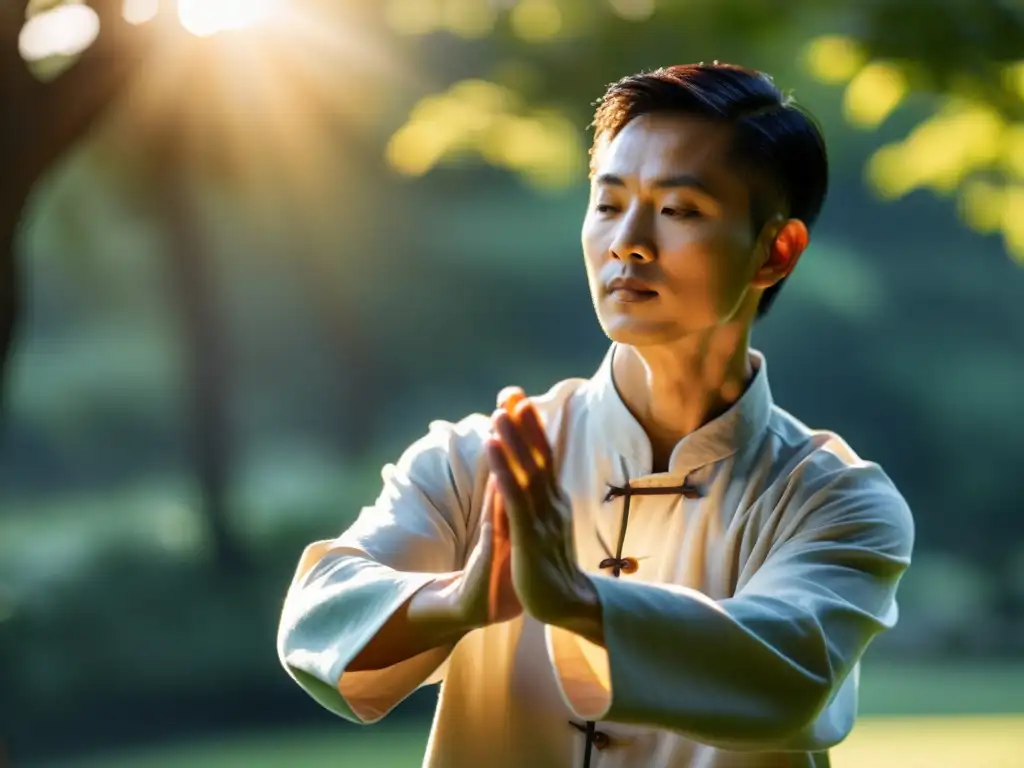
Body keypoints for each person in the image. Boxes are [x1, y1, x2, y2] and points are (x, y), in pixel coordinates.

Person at [276, 62, 914, 768]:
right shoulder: (478, 460)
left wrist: (576, 601)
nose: (629, 242)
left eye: (680, 211)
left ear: (775, 250)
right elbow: (317, 613)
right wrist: (461, 600)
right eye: (608, 204)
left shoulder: (838, 501)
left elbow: (790, 673)